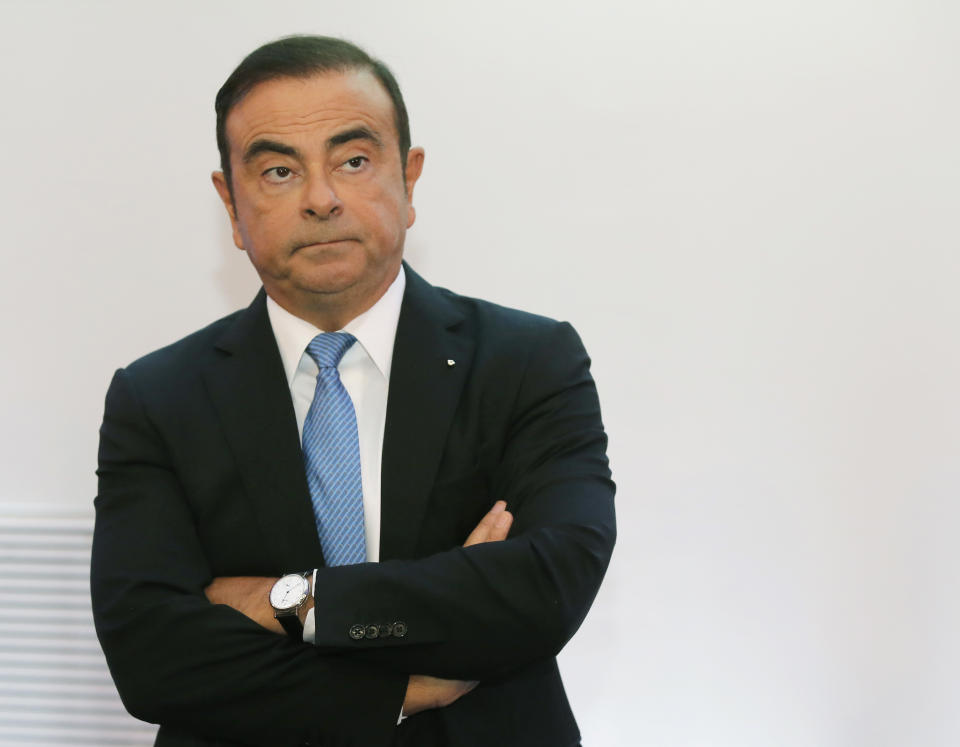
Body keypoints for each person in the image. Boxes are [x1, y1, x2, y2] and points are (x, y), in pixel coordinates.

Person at [91, 35, 615, 747]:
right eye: (278, 170)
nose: (321, 198)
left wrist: (289, 600)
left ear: (410, 179)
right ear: (230, 204)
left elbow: (547, 587)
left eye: (355, 160)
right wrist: (406, 682)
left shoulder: (529, 360)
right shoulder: (157, 398)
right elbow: (150, 655)